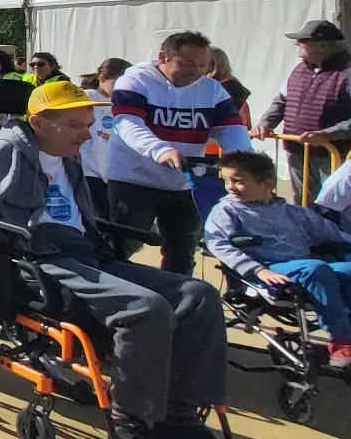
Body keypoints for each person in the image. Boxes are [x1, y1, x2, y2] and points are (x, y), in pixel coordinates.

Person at [0, 81, 250, 439]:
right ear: (39, 123)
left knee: (199, 294)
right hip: (41, 257)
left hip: (85, 250)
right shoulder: (9, 149)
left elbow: (79, 212)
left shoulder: (64, 152)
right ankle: (131, 428)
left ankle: (180, 420)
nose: (87, 133)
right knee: (145, 309)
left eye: (87, 123)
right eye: (75, 125)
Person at [105, 31, 252, 275]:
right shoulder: (135, 81)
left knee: (183, 249)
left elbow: (231, 129)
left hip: (184, 183)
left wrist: (245, 162)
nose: (196, 71)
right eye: (188, 63)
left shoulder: (212, 90)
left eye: (204, 65)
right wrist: (160, 150)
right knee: (125, 244)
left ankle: (182, 304)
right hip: (134, 180)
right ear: (164, 57)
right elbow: (127, 122)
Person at [203, 150, 351, 369]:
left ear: (267, 184)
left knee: (346, 269)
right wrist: (257, 270)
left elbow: (332, 232)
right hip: (268, 270)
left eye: (238, 181)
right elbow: (218, 244)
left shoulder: (291, 211)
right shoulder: (227, 211)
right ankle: (340, 339)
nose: (230, 187)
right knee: (315, 268)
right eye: (227, 181)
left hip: (302, 265)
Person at [254, 19, 351, 205]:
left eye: (303, 41)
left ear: (323, 45)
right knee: (303, 203)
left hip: (333, 154)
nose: (297, 44)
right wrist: (266, 123)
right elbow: (282, 101)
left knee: (332, 205)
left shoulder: (347, 73)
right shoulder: (299, 69)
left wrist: (327, 135)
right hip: (297, 149)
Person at [78, 58, 132, 209]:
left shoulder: (125, 101)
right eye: (117, 83)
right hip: (89, 166)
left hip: (112, 169)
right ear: (101, 79)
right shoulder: (87, 97)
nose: (121, 89)